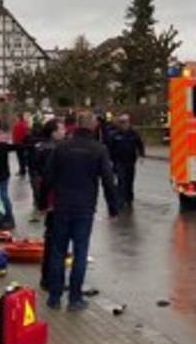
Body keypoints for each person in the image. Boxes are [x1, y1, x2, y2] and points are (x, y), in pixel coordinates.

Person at [39, 112, 118, 310]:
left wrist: (42, 203)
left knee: (58, 253)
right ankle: (75, 299)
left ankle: (54, 298)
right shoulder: (99, 150)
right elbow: (108, 181)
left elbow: (47, 177)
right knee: (80, 253)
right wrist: (113, 208)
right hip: (84, 208)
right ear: (92, 128)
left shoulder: (61, 148)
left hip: (62, 206)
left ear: (75, 127)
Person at [32, 119, 65, 288]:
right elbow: (51, 178)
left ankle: (47, 277)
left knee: (50, 240)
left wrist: (41, 202)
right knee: (56, 242)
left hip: (48, 200)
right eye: (61, 129)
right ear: (53, 132)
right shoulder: (55, 150)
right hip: (56, 200)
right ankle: (52, 279)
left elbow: (37, 176)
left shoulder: (39, 147)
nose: (64, 131)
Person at [106, 113, 145, 208]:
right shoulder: (114, 134)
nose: (123, 124)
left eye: (125, 122)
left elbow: (139, 144)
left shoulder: (133, 133)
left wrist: (141, 155)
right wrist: (109, 160)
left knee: (129, 180)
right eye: (121, 122)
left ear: (128, 122)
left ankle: (129, 198)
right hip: (119, 161)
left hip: (130, 161)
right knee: (121, 180)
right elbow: (109, 148)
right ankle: (120, 200)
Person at [11, 112, 31, 177]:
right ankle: (23, 169)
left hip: (18, 143)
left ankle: (22, 170)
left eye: (16, 117)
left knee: (20, 158)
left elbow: (15, 134)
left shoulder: (17, 125)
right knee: (23, 157)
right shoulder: (25, 124)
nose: (15, 118)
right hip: (24, 143)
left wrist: (14, 141)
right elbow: (27, 133)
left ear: (18, 117)